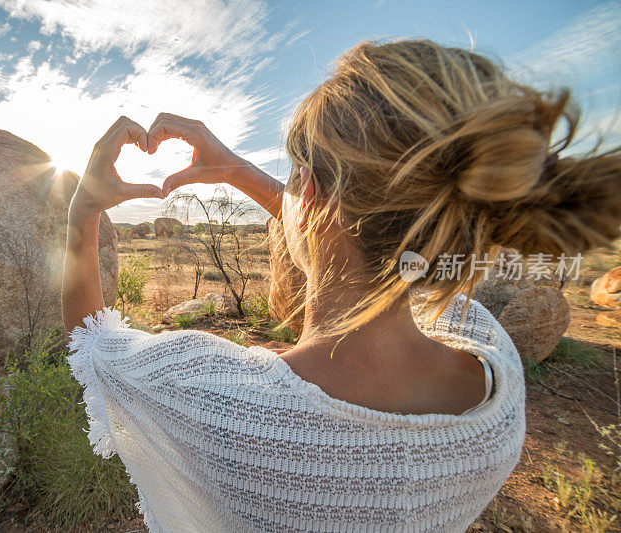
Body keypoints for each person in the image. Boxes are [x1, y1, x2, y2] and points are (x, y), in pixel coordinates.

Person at [61, 39, 621, 532]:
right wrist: (245, 172)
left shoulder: (220, 403)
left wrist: (82, 216)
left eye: (295, 174)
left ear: (311, 198)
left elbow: (91, 345)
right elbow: (389, 252)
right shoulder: (496, 382)